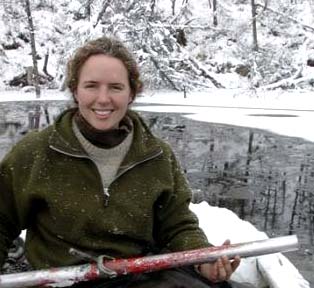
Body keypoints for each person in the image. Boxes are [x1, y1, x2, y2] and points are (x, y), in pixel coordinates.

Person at [0, 36, 243, 288]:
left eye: (115, 87)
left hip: (140, 278)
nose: (103, 99)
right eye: (91, 86)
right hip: (63, 282)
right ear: (75, 90)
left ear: (131, 93)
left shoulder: (157, 156)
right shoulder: (35, 153)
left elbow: (178, 225)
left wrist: (202, 259)